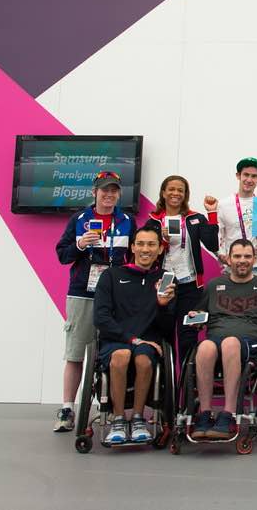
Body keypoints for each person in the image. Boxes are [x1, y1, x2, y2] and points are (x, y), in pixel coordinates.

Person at [53, 170, 136, 433]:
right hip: (82, 292)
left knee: (113, 351)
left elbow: (136, 256)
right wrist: (79, 245)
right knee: (76, 351)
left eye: (113, 190)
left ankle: (109, 405)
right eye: (104, 190)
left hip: (117, 294)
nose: (109, 195)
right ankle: (67, 408)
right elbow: (62, 255)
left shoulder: (127, 220)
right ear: (94, 192)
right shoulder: (79, 219)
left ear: (119, 194)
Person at [187, 239, 257, 440]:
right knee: (205, 346)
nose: (242, 260)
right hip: (216, 341)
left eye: (247, 256)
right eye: (237, 256)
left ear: (255, 259)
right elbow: (200, 314)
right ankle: (205, 414)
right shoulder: (214, 285)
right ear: (229, 259)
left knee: (230, 343)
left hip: (251, 343)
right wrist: (195, 318)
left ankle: (229, 414)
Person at [92, 225, 176, 444]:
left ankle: (138, 419)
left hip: (148, 342)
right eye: (140, 244)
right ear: (132, 247)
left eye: (151, 244)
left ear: (160, 249)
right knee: (121, 356)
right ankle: (118, 419)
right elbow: (101, 318)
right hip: (117, 340)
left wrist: (163, 306)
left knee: (143, 360)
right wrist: (132, 339)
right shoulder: (111, 275)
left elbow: (167, 327)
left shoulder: (165, 279)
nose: (145, 249)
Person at [144, 175, 219, 362]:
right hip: (165, 282)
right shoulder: (153, 221)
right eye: (171, 189)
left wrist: (212, 214)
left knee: (189, 334)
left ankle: (188, 377)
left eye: (180, 190)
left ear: (185, 194)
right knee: (164, 332)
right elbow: (145, 255)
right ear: (163, 192)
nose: (175, 193)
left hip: (191, 284)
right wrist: (162, 241)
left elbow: (213, 244)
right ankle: (165, 379)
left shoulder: (195, 218)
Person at [216, 158, 257, 290]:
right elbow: (218, 236)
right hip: (234, 274)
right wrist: (221, 255)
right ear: (238, 175)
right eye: (246, 175)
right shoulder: (224, 204)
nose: (249, 179)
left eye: (254, 176)